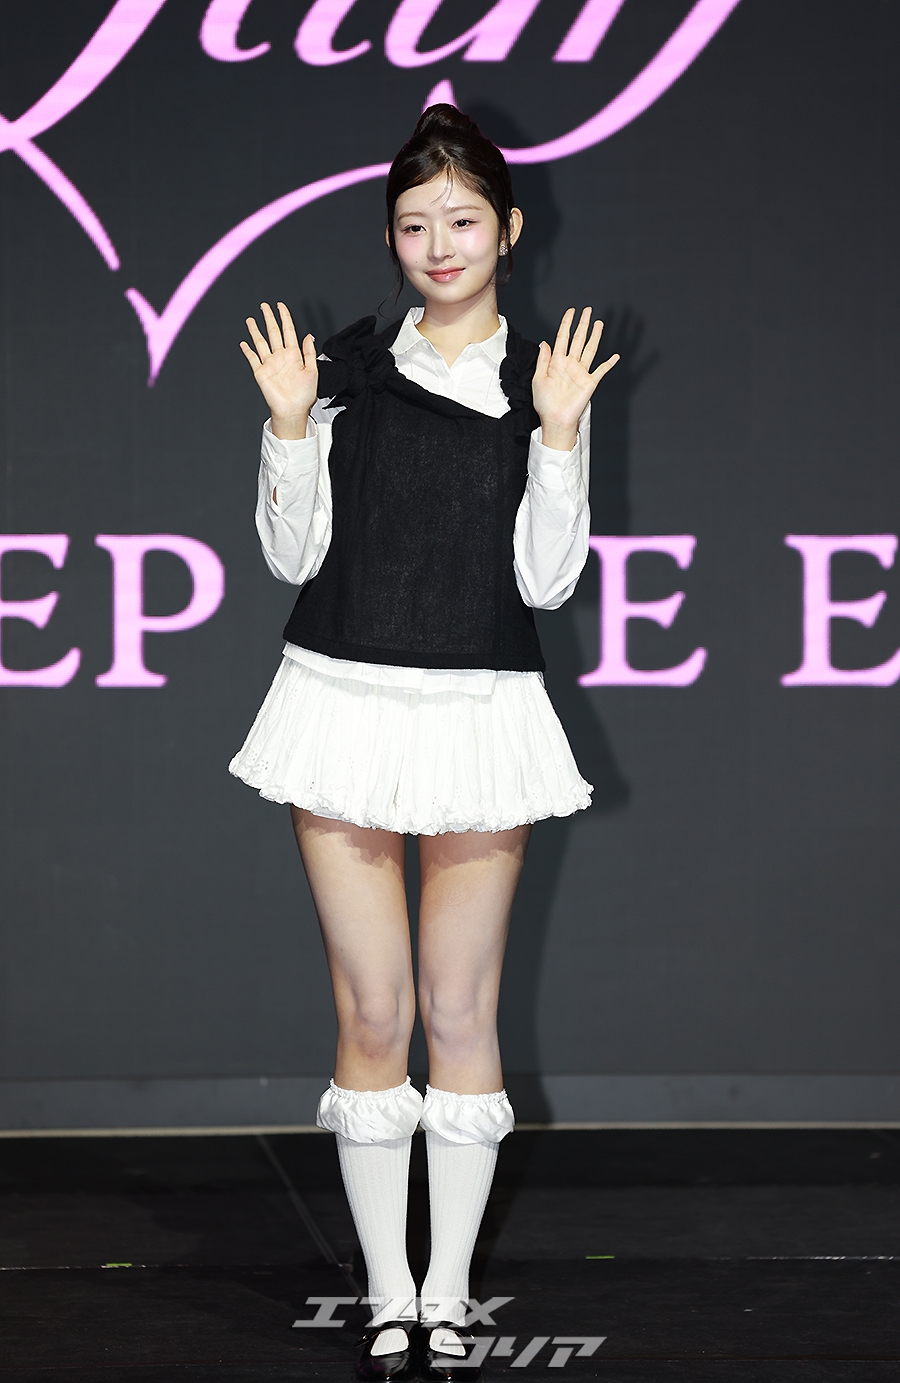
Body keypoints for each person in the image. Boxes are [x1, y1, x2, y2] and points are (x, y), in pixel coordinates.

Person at [229, 105, 618, 1382]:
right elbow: (291, 556)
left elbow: (547, 584)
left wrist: (558, 436)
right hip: (341, 702)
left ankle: (448, 1292)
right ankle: (388, 1293)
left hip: (477, 712)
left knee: (458, 1008)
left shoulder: (542, 381)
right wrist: (290, 425)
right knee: (374, 1006)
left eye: (461, 220)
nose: (438, 245)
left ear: (509, 230)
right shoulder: (340, 370)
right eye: (413, 225)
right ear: (390, 239)